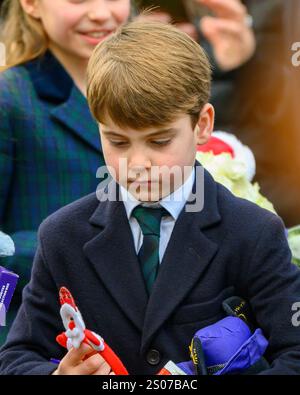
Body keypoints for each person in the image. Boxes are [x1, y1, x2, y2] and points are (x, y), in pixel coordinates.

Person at [1, 20, 300, 375]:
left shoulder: (254, 232)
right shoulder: (62, 235)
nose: (138, 163)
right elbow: (17, 357)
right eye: (118, 141)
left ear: (202, 124)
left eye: (159, 141)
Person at [0, 0, 130, 343]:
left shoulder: (145, 91)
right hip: (38, 336)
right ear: (31, 4)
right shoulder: (11, 98)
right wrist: (65, 251)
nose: (101, 13)